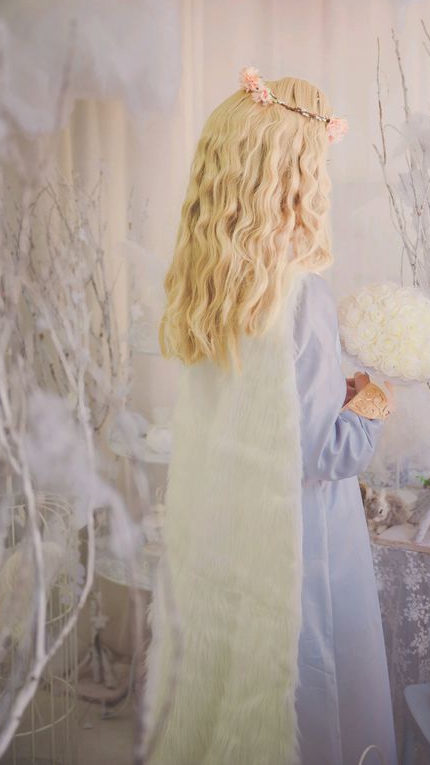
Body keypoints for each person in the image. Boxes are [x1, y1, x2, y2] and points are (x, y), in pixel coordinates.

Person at [142, 70, 397, 765]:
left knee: (227, 687)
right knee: (308, 693)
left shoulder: (207, 284)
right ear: (294, 175)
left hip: (224, 527)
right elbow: (323, 453)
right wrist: (372, 398)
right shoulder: (301, 295)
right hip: (298, 540)